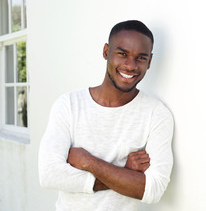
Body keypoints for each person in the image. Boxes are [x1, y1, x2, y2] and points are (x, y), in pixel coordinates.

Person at [38, 20, 174, 211]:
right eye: (122, 54)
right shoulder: (69, 105)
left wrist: (89, 162)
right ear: (105, 52)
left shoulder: (156, 114)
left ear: (149, 61)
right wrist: (125, 174)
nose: (130, 65)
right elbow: (49, 174)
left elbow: (153, 190)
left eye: (140, 58)